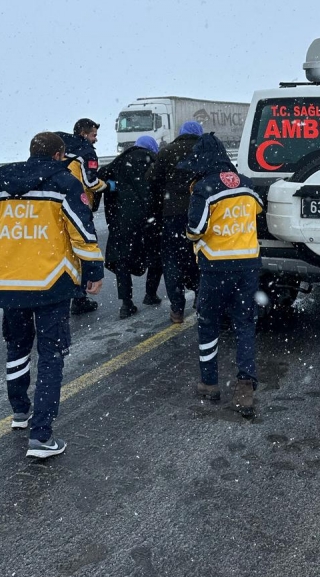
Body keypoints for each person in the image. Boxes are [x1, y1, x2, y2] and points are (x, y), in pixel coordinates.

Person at [0, 132, 104, 458]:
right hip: (51, 282)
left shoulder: (2, 184)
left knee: (16, 347)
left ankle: (20, 412)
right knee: (51, 355)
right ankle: (41, 436)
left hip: (9, 282)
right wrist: (93, 272)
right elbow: (82, 233)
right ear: (59, 155)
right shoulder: (64, 184)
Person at [178, 133, 263, 417]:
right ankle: (245, 387)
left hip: (216, 267)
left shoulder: (204, 187)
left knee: (208, 321)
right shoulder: (247, 185)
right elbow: (259, 210)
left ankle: (210, 383)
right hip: (248, 265)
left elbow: (196, 229)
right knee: (244, 323)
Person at [98, 135, 162, 318]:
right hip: (149, 220)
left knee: (122, 261)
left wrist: (114, 188)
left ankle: (126, 304)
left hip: (123, 220)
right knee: (155, 256)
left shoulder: (119, 161)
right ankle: (150, 294)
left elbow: (100, 178)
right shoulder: (153, 160)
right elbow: (158, 188)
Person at [150, 120, 202, 324]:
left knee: (172, 261)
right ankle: (200, 300)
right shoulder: (204, 150)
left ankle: (177, 309)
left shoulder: (167, 151)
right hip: (200, 213)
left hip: (172, 214)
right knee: (200, 257)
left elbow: (152, 179)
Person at [56, 118, 109, 315]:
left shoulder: (60, 149)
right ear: (84, 134)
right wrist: (109, 186)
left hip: (55, 203)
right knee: (82, 247)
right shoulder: (86, 151)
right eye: (93, 135)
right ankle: (79, 297)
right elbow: (91, 181)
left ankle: (60, 292)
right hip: (78, 203)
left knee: (61, 249)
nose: (95, 139)